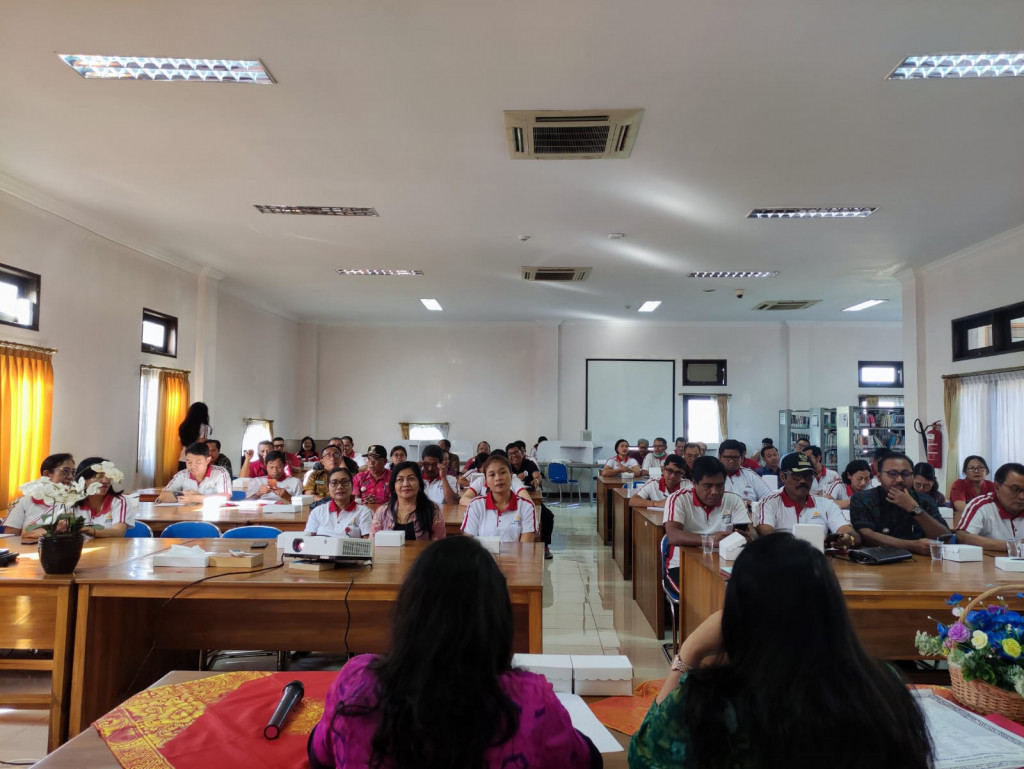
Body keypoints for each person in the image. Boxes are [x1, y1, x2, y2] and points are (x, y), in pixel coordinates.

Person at [628, 534, 931, 769]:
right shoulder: (881, 685)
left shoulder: (710, 699)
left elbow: (643, 757)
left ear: (739, 609)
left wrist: (689, 653)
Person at [308, 536, 600, 769]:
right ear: (496, 617)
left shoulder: (357, 684)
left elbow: (320, 753)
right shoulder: (529, 701)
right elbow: (586, 759)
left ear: (409, 610)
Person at [662, 457, 751, 589]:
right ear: (694, 483)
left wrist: (748, 538)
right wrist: (710, 540)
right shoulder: (679, 499)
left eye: (720, 485)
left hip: (723, 563)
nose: (715, 492)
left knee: (745, 590)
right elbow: (673, 535)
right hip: (682, 563)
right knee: (701, 594)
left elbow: (747, 532)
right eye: (708, 486)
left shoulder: (733, 500)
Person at [850, 452, 950, 557]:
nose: (900, 479)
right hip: (877, 561)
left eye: (906, 474)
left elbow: (944, 536)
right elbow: (866, 535)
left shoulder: (924, 500)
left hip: (920, 564)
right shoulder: (863, 498)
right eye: (892, 474)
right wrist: (913, 546)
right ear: (879, 477)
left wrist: (915, 509)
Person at [754, 452, 858, 549]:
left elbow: (851, 533)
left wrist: (848, 539)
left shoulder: (826, 504)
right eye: (797, 475)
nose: (803, 481)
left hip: (818, 561)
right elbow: (766, 535)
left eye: (808, 476)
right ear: (782, 476)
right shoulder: (769, 504)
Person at [462, 455, 537, 542]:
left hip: (516, 555)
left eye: (503, 472)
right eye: (492, 475)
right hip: (482, 555)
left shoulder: (526, 506)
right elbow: (469, 544)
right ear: (486, 481)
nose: (498, 478)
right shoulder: (475, 505)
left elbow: (525, 548)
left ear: (511, 476)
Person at [3, 453, 76, 538]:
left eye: (73, 472)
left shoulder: (74, 502)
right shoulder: (25, 501)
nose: (70, 476)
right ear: (47, 474)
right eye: (65, 471)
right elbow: (9, 538)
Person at [955, 463, 1024, 552]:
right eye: (1015, 489)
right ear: (997, 487)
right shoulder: (981, 505)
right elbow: (963, 536)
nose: (1022, 496)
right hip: (989, 563)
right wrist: (1012, 546)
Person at [370, 461, 446, 540]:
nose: (405, 484)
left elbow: (438, 546)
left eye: (411, 479)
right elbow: (373, 542)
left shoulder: (432, 510)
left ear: (419, 484)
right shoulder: (382, 512)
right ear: (394, 486)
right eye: (400, 480)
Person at [507, 442, 554, 559]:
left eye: (516, 452)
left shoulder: (529, 463)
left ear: (521, 453)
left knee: (547, 516)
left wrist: (536, 481)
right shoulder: (506, 467)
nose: (514, 456)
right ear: (508, 456)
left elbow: (537, 476)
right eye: (511, 454)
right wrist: (515, 479)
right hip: (510, 500)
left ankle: (545, 545)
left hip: (531, 499)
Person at [71, 458, 133, 538]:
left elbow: (118, 532)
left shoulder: (120, 501)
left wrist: (89, 530)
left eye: (108, 475)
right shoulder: (72, 502)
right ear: (82, 480)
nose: (105, 480)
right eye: (98, 476)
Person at [304, 467, 372, 538]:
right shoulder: (317, 512)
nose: (339, 487)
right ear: (328, 487)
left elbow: (367, 542)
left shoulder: (363, 512)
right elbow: (308, 540)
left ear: (352, 486)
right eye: (334, 483)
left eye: (344, 482)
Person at [158, 442, 231, 502]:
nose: (193, 466)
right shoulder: (182, 475)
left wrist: (195, 498)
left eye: (198, 462)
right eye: (189, 462)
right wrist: (184, 494)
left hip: (212, 516)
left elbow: (224, 498)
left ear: (208, 460)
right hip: (186, 516)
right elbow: (162, 497)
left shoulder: (220, 473)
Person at [176, 402, 211, 471]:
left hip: (183, 459)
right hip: (196, 461)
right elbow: (201, 446)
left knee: (182, 481)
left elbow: (180, 443)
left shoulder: (183, 426)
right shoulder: (205, 427)